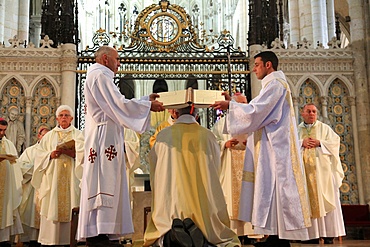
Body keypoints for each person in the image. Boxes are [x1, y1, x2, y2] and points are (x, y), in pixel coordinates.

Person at [211, 51, 311, 247]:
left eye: (257, 65)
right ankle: (273, 236)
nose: (253, 68)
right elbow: (256, 108)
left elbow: (257, 112)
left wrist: (231, 106)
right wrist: (232, 102)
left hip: (276, 148)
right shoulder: (271, 86)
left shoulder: (276, 85)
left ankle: (279, 238)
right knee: (269, 189)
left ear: (268, 65)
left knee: (274, 188)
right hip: (269, 145)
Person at [77, 45, 164, 247]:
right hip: (103, 137)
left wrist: (144, 101)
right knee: (104, 181)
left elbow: (117, 104)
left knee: (108, 180)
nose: (119, 63)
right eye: (117, 59)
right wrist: (147, 105)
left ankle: (104, 231)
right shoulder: (100, 76)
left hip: (106, 134)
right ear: (105, 58)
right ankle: (101, 231)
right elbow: (118, 104)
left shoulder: (98, 75)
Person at [144, 106, 240, 247]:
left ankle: (171, 236)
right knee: (210, 225)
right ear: (196, 115)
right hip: (202, 199)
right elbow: (216, 166)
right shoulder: (207, 135)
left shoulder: (164, 136)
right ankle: (202, 235)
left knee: (166, 223)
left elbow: (154, 163)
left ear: (175, 113)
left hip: (174, 197)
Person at [211, 93, 261, 243]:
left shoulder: (252, 123)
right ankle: (234, 233)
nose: (244, 107)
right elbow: (213, 143)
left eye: (246, 103)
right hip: (229, 165)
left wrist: (251, 144)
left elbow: (262, 143)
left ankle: (250, 233)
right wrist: (224, 145)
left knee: (249, 196)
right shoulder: (221, 124)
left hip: (248, 164)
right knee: (231, 199)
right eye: (241, 103)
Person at [31, 105, 82, 246]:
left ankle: (70, 239)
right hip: (53, 178)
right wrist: (50, 155)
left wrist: (74, 154)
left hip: (72, 177)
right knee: (52, 204)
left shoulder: (79, 135)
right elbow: (39, 155)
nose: (64, 117)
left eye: (66, 115)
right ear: (57, 118)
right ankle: (51, 240)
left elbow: (85, 155)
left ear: (72, 118)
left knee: (72, 203)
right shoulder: (49, 136)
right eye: (61, 115)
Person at [298, 103, 346, 244]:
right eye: (308, 111)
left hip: (323, 173)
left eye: (314, 111)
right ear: (302, 113)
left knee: (327, 200)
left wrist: (320, 143)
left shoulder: (324, 128)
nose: (312, 114)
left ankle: (329, 234)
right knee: (307, 201)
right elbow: (289, 144)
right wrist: (302, 142)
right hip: (304, 174)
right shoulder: (296, 130)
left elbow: (335, 143)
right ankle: (311, 236)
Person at [18, 127, 49, 247]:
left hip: (45, 187)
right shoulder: (30, 151)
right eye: (43, 135)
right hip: (32, 188)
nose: (45, 138)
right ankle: (30, 239)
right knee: (31, 214)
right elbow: (21, 167)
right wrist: (37, 169)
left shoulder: (51, 151)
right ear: (39, 136)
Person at [0, 118, 23, 247]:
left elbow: (15, 163)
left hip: (6, 185)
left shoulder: (8, 144)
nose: (2, 133)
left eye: (4, 130)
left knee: (5, 210)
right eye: (0, 130)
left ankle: (3, 239)